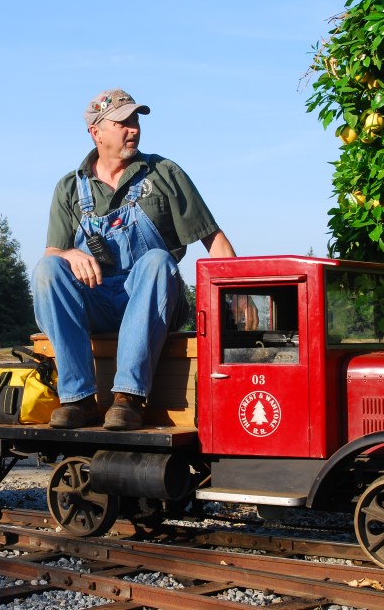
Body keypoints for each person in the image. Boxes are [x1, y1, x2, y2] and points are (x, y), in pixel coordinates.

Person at [32, 88, 237, 431]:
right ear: (96, 131)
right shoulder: (70, 187)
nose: (134, 129)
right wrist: (69, 254)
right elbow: (53, 253)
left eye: (136, 120)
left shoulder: (163, 173)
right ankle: (78, 399)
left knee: (157, 259)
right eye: (123, 122)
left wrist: (235, 303)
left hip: (151, 303)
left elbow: (213, 240)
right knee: (48, 269)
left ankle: (129, 398)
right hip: (96, 303)